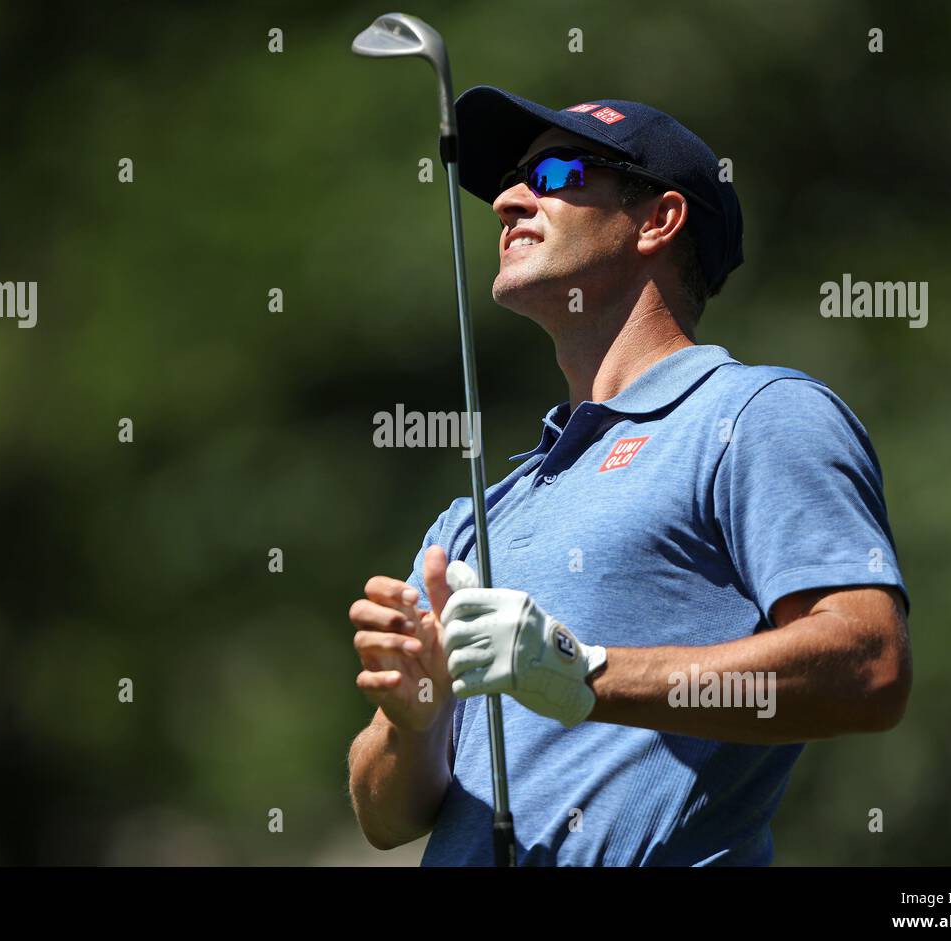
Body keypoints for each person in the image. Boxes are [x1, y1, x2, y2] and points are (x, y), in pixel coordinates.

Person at [346, 87, 912, 866]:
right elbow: (385, 819)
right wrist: (414, 719)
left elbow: (868, 664)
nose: (508, 199)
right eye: (513, 180)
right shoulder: (477, 515)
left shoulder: (757, 415)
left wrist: (583, 672)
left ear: (658, 220)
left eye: (554, 174)